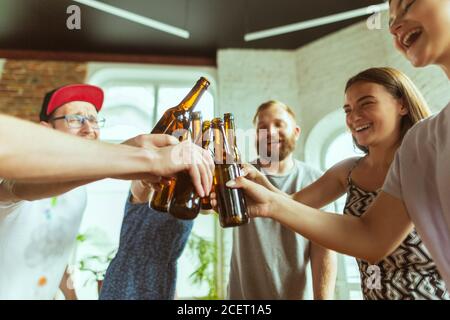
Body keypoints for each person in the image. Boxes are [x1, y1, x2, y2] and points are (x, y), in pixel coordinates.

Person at [224, 0, 450, 290]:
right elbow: (370, 237)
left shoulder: (420, 145)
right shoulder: (421, 145)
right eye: (346, 110)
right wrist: (265, 194)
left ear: (401, 105)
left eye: (407, 4)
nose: (393, 25)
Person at [0, 84, 214, 299]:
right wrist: (136, 157)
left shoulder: (77, 193)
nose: (89, 128)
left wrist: (72, 296)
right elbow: (14, 186)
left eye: (94, 120)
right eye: (75, 119)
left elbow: (52, 249)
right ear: (46, 130)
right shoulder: (20, 176)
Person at [228, 101, 337, 300]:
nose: (270, 131)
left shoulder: (317, 181)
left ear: (296, 132)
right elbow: (208, 208)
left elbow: (324, 249)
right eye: (262, 127)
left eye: (279, 124)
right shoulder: (239, 175)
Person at [99, 179, 193, 300]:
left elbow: (208, 208)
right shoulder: (153, 173)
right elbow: (140, 190)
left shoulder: (191, 185)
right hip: (127, 280)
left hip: (164, 281)